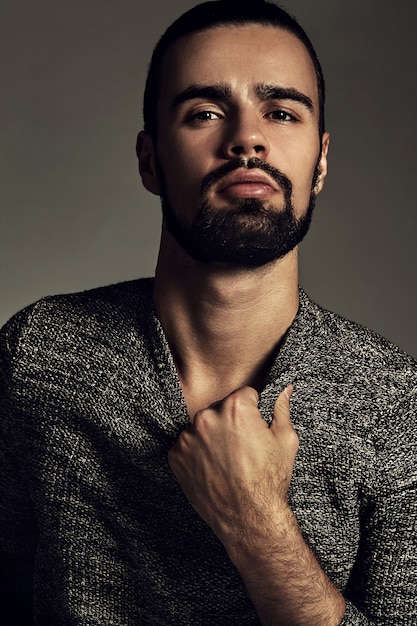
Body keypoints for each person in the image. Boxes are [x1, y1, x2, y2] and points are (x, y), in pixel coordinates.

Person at [1, 0, 416, 623]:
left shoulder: (393, 401)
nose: (246, 138)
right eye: (205, 113)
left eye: (280, 112)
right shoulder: (38, 354)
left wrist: (257, 527)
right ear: (150, 160)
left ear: (321, 160)